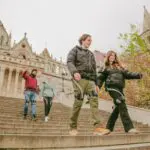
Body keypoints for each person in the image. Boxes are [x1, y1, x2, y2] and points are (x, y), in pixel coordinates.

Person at [67, 34, 110, 136]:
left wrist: (96, 83)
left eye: (91, 41)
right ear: (82, 40)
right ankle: (73, 127)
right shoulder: (75, 50)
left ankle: (98, 127)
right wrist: (74, 72)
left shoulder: (91, 54)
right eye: (88, 40)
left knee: (94, 101)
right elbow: (69, 61)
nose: (90, 42)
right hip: (79, 79)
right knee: (78, 103)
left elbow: (94, 70)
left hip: (91, 81)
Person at [97, 50, 143, 134]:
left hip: (120, 89)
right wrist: (97, 86)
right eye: (111, 55)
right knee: (121, 103)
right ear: (108, 57)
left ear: (115, 57)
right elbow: (100, 78)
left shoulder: (119, 67)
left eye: (114, 56)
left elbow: (128, 74)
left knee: (118, 107)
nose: (112, 57)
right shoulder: (105, 67)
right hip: (111, 88)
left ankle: (108, 128)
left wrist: (137, 75)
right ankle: (129, 128)